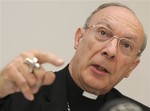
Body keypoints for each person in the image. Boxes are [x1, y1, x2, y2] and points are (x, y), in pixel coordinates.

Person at [0, 2, 149, 111]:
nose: (111, 51)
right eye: (103, 33)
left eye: (126, 45)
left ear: (131, 67)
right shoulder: (16, 97)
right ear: (79, 38)